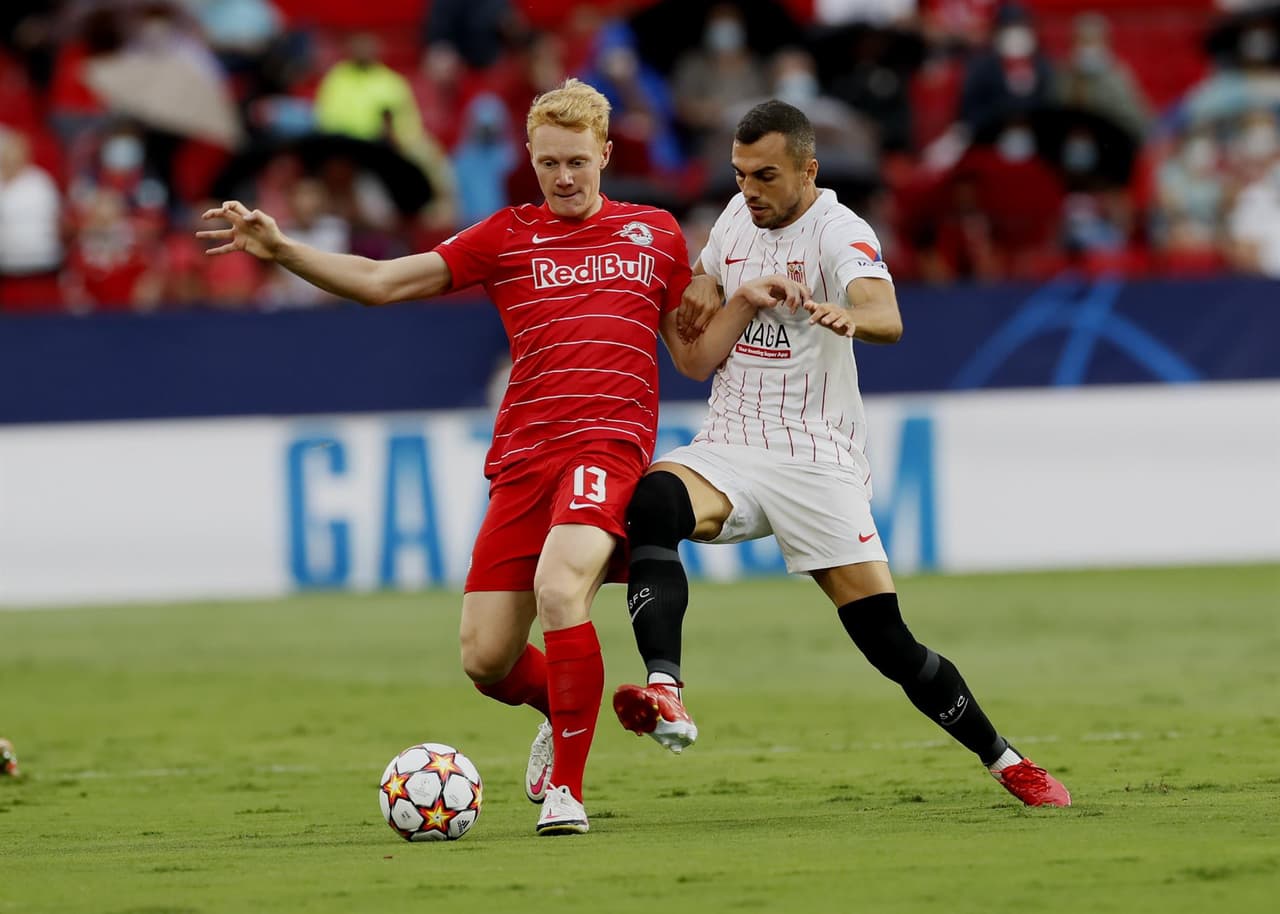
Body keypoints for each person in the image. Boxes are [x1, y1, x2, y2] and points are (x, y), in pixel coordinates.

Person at [199, 78, 807, 835]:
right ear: (529, 156)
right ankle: (563, 708)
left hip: (606, 449)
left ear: (605, 155)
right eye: (549, 162)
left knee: (561, 590)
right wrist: (282, 248)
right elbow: (385, 282)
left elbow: (691, 358)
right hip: (524, 460)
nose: (563, 177)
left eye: (577, 162)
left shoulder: (652, 234)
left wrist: (744, 300)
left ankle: (568, 794)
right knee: (486, 658)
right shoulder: (506, 236)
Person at [611, 99, 1072, 808]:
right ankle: (667, 689)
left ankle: (1006, 759)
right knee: (654, 501)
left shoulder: (838, 230)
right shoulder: (736, 218)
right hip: (729, 444)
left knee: (886, 641)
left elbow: (887, 315)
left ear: (807, 169)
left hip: (814, 460)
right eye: (739, 175)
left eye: (765, 175)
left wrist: (850, 315)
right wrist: (702, 279)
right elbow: (704, 278)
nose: (750, 190)